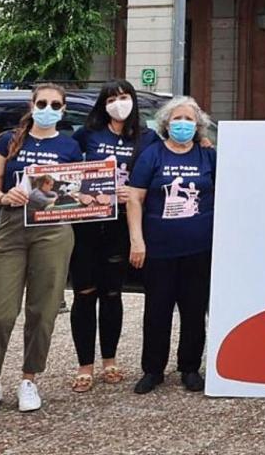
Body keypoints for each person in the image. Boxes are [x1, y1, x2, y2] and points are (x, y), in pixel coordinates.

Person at [0, 83, 83, 417]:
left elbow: (76, 193)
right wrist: (5, 197)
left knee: (43, 309)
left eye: (56, 104)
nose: (49, 108)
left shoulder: (70, 146)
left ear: (63, 111)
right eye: (42, 102)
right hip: (11, 227)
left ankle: (29, 379)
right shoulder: (8, 140)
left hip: (53, 230)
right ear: (32, 105)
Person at [68, 80, 161, 393]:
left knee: (112, 293)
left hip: (121, 225)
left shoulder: (147, 139)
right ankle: (85, 366)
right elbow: (63, 172)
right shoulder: (89, 133)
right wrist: (79, 191)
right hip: (87, 225)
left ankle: (110, 360)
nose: (119, 103)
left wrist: (132, 193)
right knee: (84, 293)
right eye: (112, 99)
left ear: (133, 101)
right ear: (103, 104)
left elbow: (157, 175)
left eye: (124, 97)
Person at [127, 96, 216, 394]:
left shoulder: (208, 156)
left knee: (193, 310)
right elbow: (135, 199)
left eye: (189, 119)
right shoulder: (152, 155)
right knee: (157, 310)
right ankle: (153, 370)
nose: (183, 124)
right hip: (159, 249)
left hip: (199, 248)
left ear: (198, 125)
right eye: (177, 119)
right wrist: (136, 240)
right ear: (166, 124)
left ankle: (190, 367)